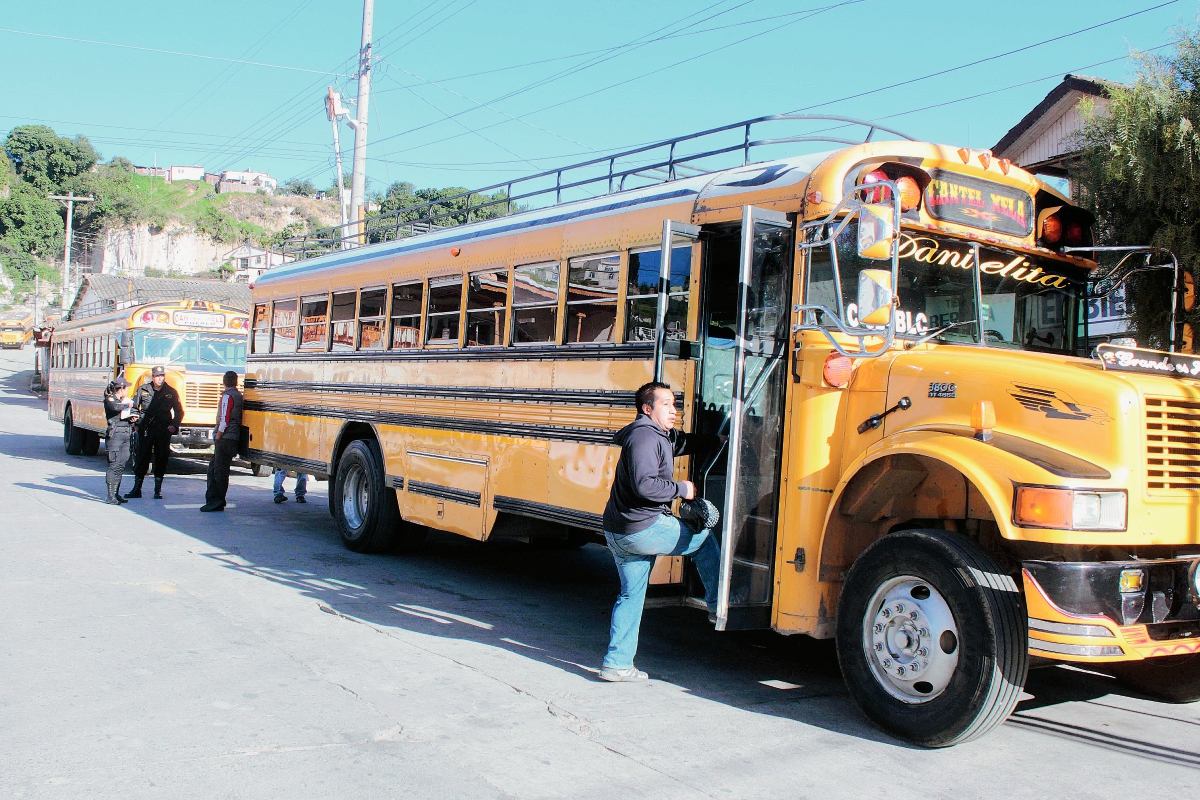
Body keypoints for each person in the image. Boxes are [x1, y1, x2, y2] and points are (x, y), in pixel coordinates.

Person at [599, 381, 724, 682]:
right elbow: (645, 485)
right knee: (703, 540)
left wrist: (720, 439)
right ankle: (719, 605)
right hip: (640, 528)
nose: (674, 410)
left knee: (631, 595)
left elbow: (684, 443)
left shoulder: (658, 435)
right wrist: (683, 488)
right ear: (647, 408)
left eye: (674, 404)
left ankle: (616, 664)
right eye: (666, 404)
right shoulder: (644, 438)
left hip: (621, 531)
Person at [126, 365, 183, 500]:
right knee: (142, 458)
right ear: (153, 377)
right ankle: (137, 488)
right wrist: (136, 422)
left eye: (162, 376)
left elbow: (179, 411)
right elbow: (134, 407)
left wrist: (174, 425)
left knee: (161, 458)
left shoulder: (171, 391)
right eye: (157, 376)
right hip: (146, 429)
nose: (160, 379)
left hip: (163, 430)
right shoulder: (143, 389)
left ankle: (158, 490)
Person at [201, 370, 242, 513]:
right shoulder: (239, 396)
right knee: (221, 470)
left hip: (225, 438)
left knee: (216, 470)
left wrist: (218, 436)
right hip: (233, 437)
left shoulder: (227, 396)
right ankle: (217, 500)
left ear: (224, 382)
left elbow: (224, 419)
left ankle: (215, 500)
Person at [102, 375, 138, 505]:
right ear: (121, 388)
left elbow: (130, 411)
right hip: (115, 435)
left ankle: (116, 493)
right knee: (114, 465)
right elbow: (114, 408)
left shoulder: (124, 400)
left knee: (121, 465)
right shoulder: (110, 399)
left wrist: (132, 418)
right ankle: (110, 495)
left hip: (126, 433)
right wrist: (126, 404)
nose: (128, 389)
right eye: (126, 387)